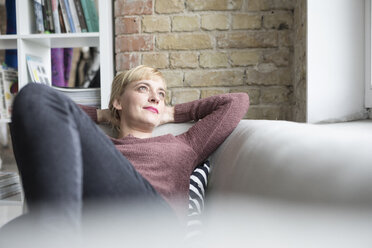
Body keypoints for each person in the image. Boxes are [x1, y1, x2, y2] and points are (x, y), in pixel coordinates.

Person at [2, 65, 249, 243]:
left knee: (36, 94)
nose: (155, 97)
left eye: (161, 94)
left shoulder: (185, 144)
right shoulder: (100, 146)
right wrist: (103, 114)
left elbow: (236, 102)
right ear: (118, 101)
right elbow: (45, 114)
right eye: (144, 88)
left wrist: (171, 112)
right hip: (97, 224)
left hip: (153, 225)